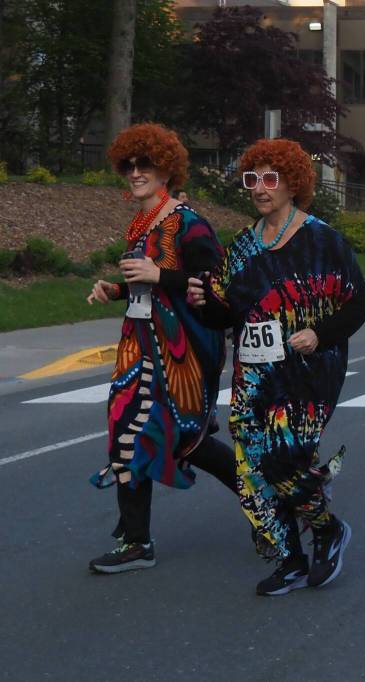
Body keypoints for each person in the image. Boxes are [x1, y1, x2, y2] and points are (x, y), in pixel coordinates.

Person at [187, 138, 365, 596]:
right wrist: (203, 303)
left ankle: (328, 530)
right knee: (252, 462)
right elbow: (226, 313)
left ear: (293, 184)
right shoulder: (244, 245)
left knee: (283, 455)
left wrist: (319, 334)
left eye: (270, 179)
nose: (260, 188)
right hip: (254, 371)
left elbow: (359, 303)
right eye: (252, 179)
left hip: (308, 369)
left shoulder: (322, 239)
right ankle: (289, 558)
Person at [85, 123, 236, 574]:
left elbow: (216, 286)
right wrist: (116, 289)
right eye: (128, 165)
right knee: (129, 437)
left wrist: (158, 277)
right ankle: (136, 542)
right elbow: (147, 285)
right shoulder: (143, 223)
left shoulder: (188, 224)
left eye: (144, 164)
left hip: (177, 356)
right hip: (137, 349)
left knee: (185, 443)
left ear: (166, 169)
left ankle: (270, 504)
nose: (135, 172)